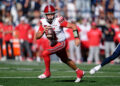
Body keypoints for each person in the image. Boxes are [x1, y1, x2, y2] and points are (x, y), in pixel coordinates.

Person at [35, 5, 84, 83]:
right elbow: (37, 36)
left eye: (52, 14)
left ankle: (47, 72)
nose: (50, 16)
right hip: (54, 44)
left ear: (54, 14)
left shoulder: (59, 20)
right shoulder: (43, 22)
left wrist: (76, 37)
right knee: (65, 60)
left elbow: (73, 26)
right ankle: (79, 72)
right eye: (48, 14)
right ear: (45, 15)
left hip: (62, 42)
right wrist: (44, 30)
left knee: (45, 53)